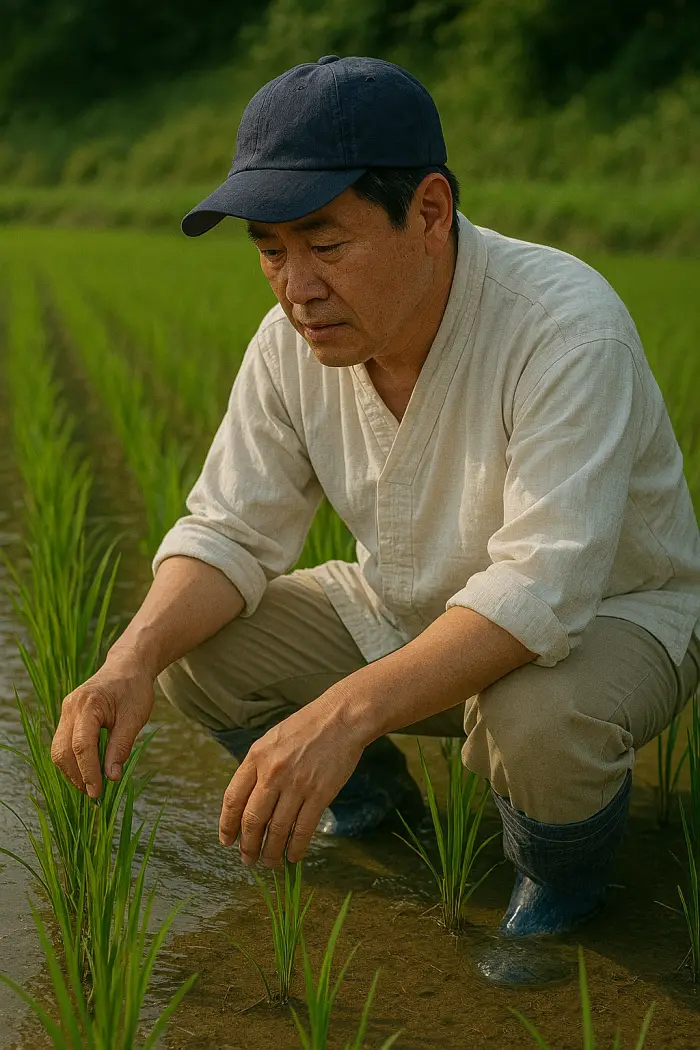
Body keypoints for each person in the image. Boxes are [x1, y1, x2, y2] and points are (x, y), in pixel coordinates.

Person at [51, 55, 700, 984]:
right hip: (407, 603)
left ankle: (564, 885)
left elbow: (542, 587)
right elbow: (229, 529)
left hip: (616, 616)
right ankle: (375, 813)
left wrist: (339, 715)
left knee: (538, 720)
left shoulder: (562, 326)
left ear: (429, 212)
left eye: (325, 242)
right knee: (199, 650)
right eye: (270, 250)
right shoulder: (290, 341)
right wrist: (128, 659)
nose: (295, 286)